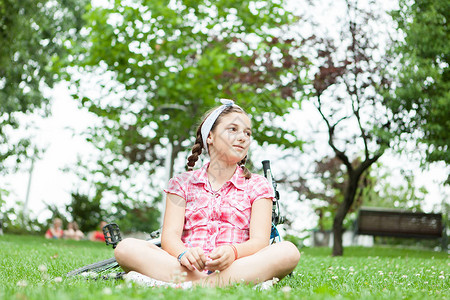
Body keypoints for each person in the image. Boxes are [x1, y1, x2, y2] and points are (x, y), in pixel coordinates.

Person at [114, 99, 300, 288]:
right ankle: (215, 284)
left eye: (247, 133)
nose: (243, 137)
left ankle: (178, 285)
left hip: (236, 267)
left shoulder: (257, 185)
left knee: (288, 251)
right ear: (210, 136)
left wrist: (233, 251)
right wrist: (184, 253)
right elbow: (169, 236)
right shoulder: (182, 183)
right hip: (186, 267)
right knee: (125, 248)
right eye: (233, 129)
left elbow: (260, 241)